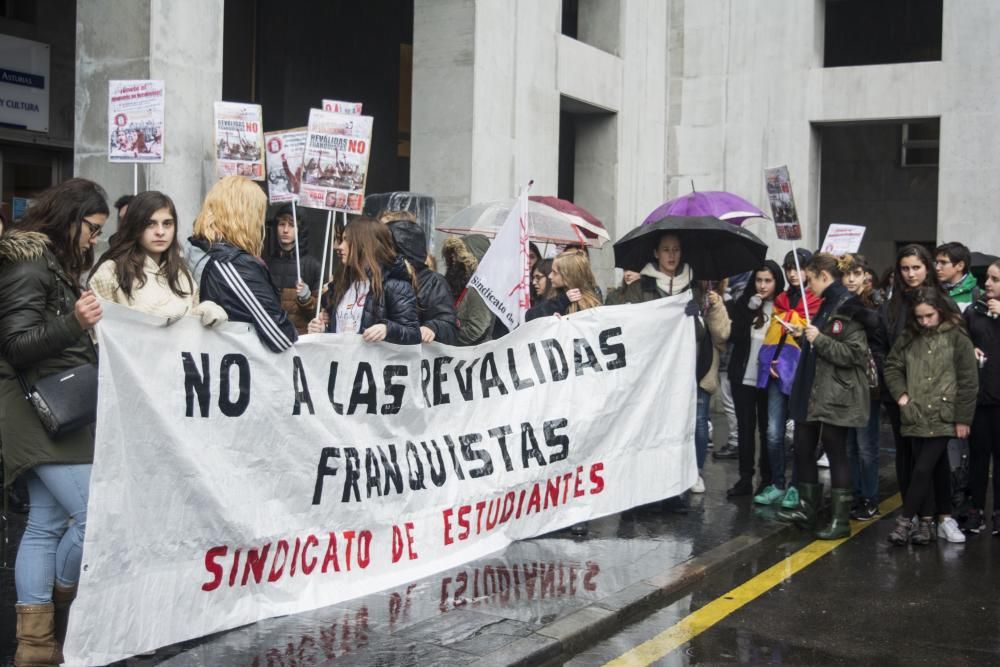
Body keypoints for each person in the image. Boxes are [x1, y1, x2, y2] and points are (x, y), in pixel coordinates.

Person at [0, 178, 108, 664]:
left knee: (45, 525)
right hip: (35, 409)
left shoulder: (50, 262)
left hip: (53, 409)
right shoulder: (28, 262)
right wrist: (75, 323)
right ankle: (63, 603)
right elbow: (16, 345)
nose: (94, 240)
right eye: (92, 229)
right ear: (71, 218)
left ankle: (36, 646)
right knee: (92, 517)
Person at [606, 232, 730, 498]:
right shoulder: (643, 286)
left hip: (696, 368)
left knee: (698, 422)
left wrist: (696, 317)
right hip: (659, 373)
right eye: (666, 250)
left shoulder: (696, 287)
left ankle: (693, 471)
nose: (671, 255)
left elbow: (707, 333)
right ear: (656, 253)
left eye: (676, 249)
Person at [778, 253, 871, 539]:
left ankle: (840, 520)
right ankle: (808, 508)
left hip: (835, 391)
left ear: (823, 276)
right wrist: (802, 335)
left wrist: (819, 338)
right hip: (812, 387)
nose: (808, 287)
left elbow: (855, 354)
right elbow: (820, 342)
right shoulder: (827, 303)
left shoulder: (848, 306)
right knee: (803, 445)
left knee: (835, 449)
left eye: (810, 280)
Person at [876, 244, 965, 542]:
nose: (910, 273)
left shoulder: (942, 301)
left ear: (927, 267)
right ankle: (919, 518)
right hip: (900, 392)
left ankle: (939, 517)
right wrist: (898, 391)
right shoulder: (892, 302)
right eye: (905, 268)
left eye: (916, 267)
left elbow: (960, 345)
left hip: (937, 396)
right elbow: (883, 347)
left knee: (934, 459)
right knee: (907, 458)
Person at [884, 288, 978, 545]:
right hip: (914, 412)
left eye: (929, 316)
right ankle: (926, 523)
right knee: (933, 469)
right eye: (920, 317)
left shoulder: (957, 337)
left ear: (940, 311)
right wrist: (902, 396)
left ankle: (905, 521)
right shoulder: (909, 336)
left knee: (923, 468)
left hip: (944, 413)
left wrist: (963, 418)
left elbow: (969, 381)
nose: (924, 322)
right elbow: (892, 366)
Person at [186, 176, 297, 353]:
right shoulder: (232, 263)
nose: (260, 223)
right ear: (244, 216)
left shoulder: (197, 249)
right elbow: (281, 337)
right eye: (258, 214)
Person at [89, 190, 227, 327]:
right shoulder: (110, 272)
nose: (160, 232)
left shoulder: (182, 274)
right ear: (135, 226)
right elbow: (97, 333)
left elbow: (189, 332)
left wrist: (203, 312)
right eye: (150, 224)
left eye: (167, 224)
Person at [753, 249, 821, 509]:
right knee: (772, 432)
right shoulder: (781, 299)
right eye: (789, 268)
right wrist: (771, 361)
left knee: (801, 436)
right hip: (775, 371)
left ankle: (795, 486)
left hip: (804, 375)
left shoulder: (815, 301)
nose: (793, 274)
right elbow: (773, 337)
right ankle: (778, 483)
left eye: (799, 268)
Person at [307, 217, 420, 345]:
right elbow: (341, 332)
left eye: (347, 240)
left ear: (365, 244)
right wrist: (323, 331)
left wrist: (387, 329)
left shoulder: (395, 286)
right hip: (341, 362)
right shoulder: (342, 284)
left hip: (374, 364)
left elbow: (413, 334)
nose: (339, 246)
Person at [727, 262, 784, 498]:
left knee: (767, 430)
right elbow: (735, 336)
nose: (762, 285)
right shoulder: (745, 303)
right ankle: (745, 478)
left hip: (769, 379)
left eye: (767, 281)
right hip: (743, 376)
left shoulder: (783, 306)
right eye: (759, 280)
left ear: (776, 282)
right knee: (745, 428)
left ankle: (767, 478)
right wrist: (749, 310)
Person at [840, 254, 885, 520]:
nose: (851, 279)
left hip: (868, 381)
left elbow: (880, 332)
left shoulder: (875, 301)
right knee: (849, 446)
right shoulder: (838, 300)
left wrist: (858, 311)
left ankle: (870, 497)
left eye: (856, 273)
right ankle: (855, 494)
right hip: (844, 379)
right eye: (846, 274)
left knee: (866, 444)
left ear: (865, 275)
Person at [382, 211, 458, 345]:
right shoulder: (380, 278)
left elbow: (448, 323)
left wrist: (433, 327)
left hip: (419, 358)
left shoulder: (434, 282)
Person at [964, 260, 1000, 535]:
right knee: (977, 457)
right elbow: (960, 341)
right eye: (987, 278)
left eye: (995, 279)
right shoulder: (973, 312)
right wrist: (970, 350)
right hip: (979, 399)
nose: (987, 283)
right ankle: (975, 509)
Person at [262, 204, 322, 335]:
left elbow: (318, 314)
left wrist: (306, 298)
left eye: (291, 225)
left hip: (300, 340)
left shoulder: (312, 266)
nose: (285, 230)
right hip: (271, 335)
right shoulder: (265, 263)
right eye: (281, 224)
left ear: (300, 229)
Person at [443, 234, 496, 346]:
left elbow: (476, 329)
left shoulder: (478, 289)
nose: (453, 259)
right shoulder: (461, 285)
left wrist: (447, 339)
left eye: (457, 254)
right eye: (452, 254)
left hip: (472, 356)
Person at [526, 250, 601, 321]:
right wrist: (561, 301)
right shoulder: (557, 295)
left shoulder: (587, 305)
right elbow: (529, 316)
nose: (550, 276)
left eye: (554, 272)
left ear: (568, 276)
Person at [936, 242, 980, 312]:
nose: (937, 268)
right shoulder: (932, 291)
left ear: (960, 266)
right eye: (937, 262)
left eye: (943, 262)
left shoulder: (979, 295)